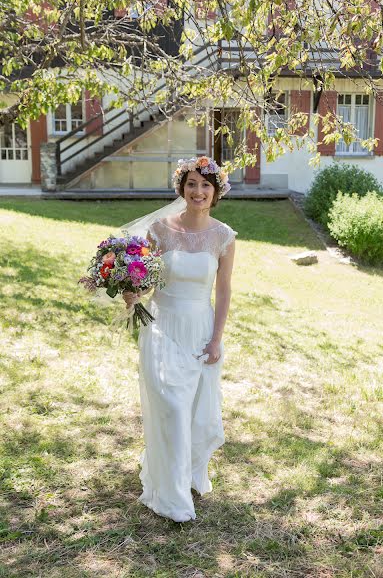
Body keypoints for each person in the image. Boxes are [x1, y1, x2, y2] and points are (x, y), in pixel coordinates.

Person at [121, 156, 237, 522]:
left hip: (200, 331)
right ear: (181, 188)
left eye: (205, 185)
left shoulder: (224, 236)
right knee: (170, 407)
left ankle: (185, 474)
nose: (198, 191)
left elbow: (224, 292)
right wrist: (131, 293)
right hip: (162, 326)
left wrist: (216, 340)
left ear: (215, 191)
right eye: (191, 183)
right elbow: (147, 278)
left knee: (196, 415)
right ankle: (170, 497)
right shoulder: (160, 230)